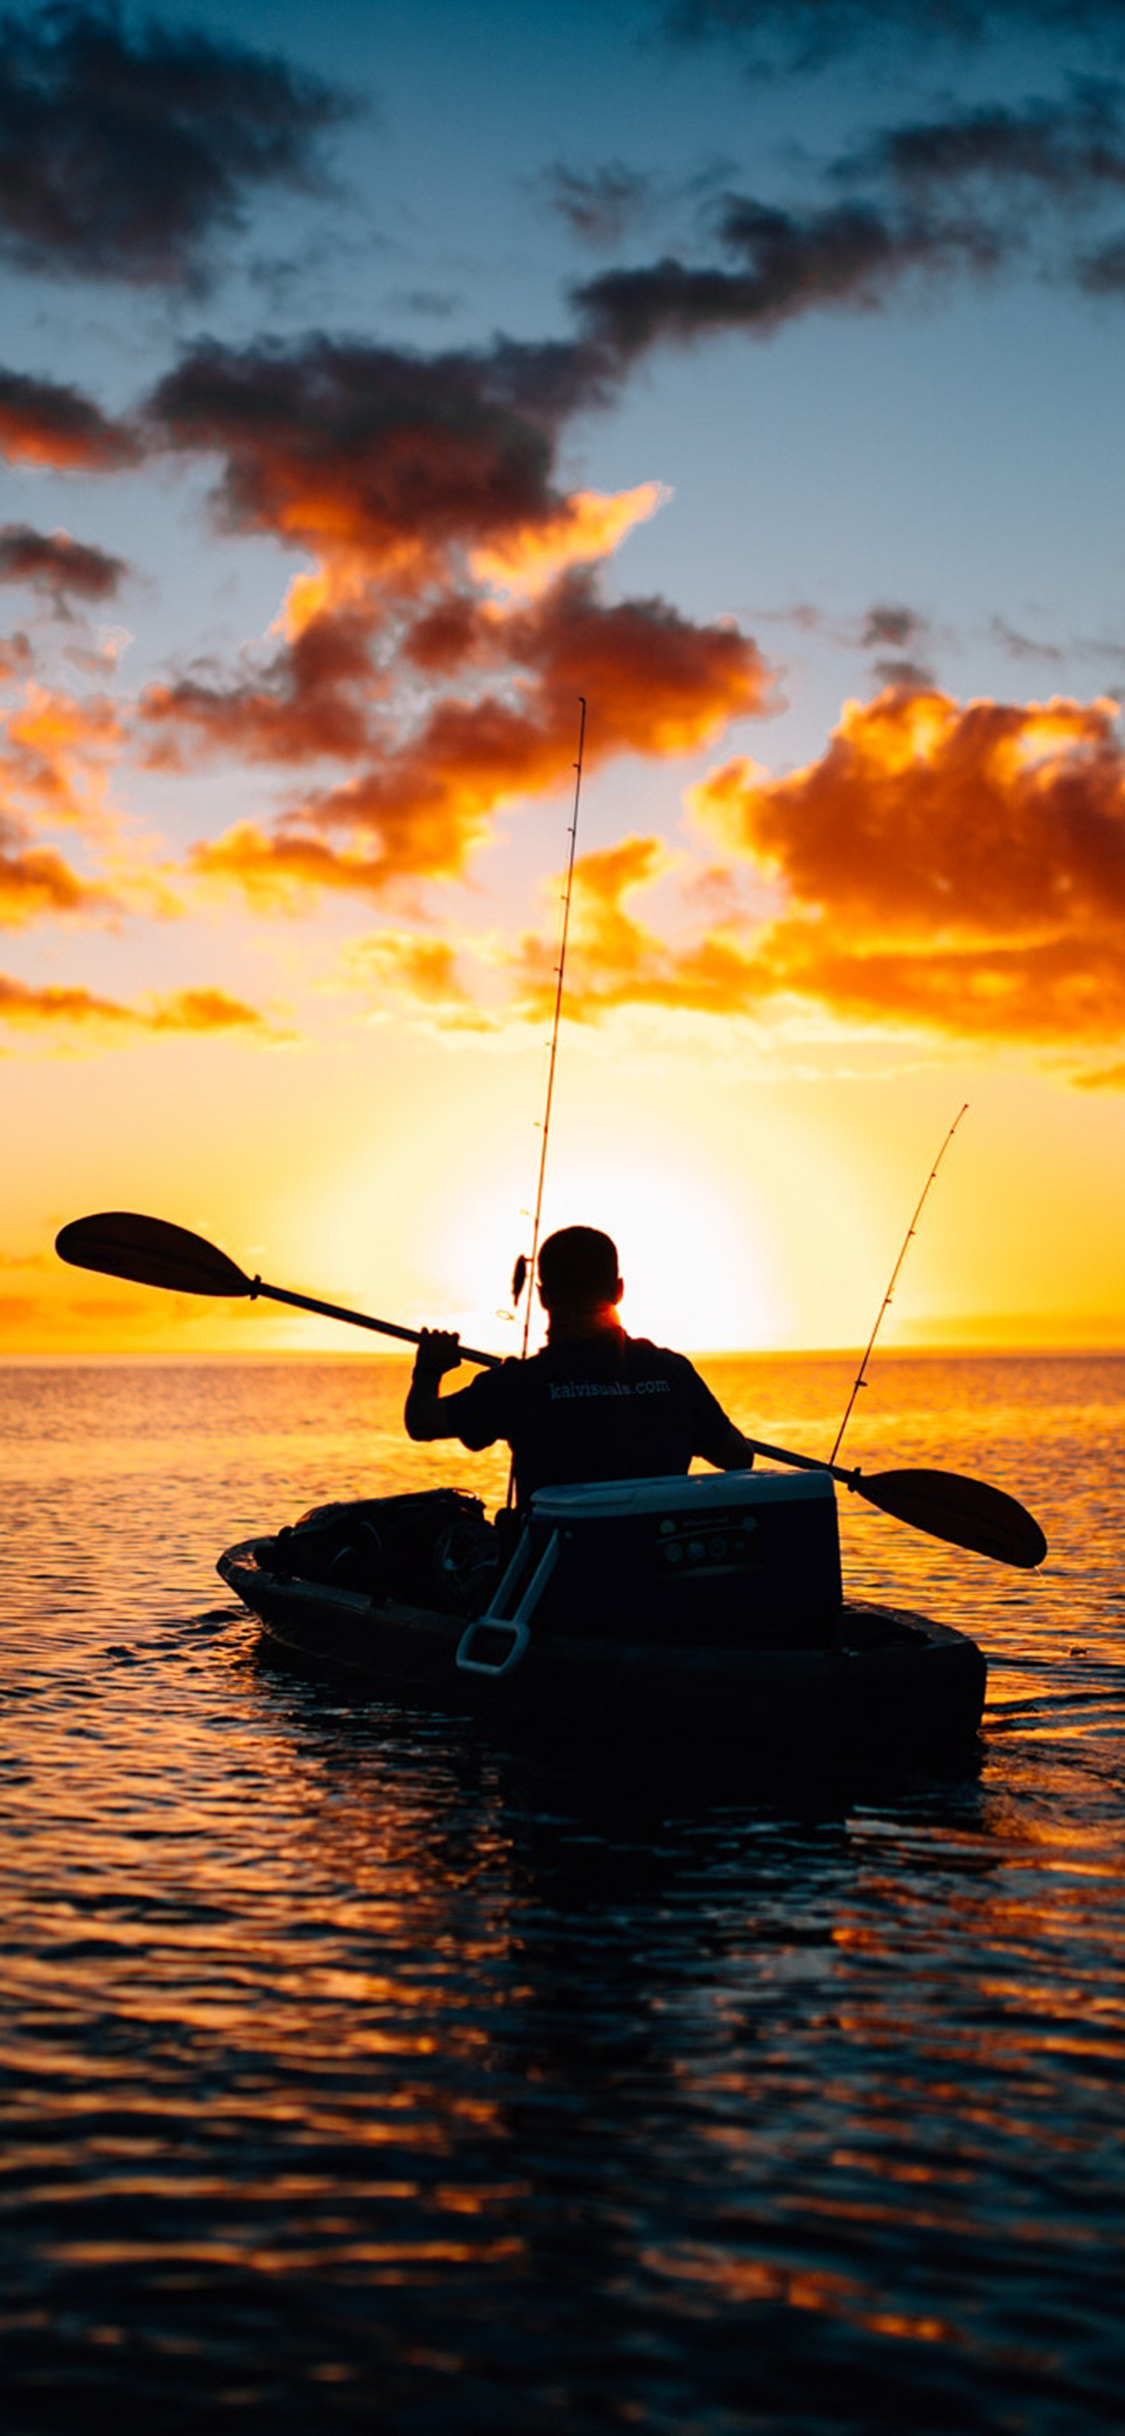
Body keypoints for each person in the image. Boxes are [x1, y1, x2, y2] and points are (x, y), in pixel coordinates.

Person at [404, 1223, 759, 1506]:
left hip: (554, 1583)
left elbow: (421, 1421)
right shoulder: (674, 1373)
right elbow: (739, 1457)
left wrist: (429, 1369)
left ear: (543, 1296)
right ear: (619, 1290)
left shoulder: (518, 1385)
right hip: (657, 1574)